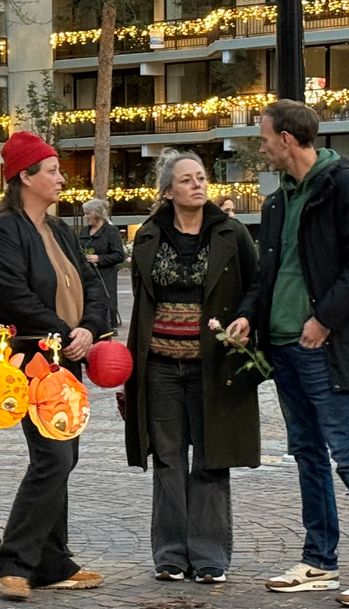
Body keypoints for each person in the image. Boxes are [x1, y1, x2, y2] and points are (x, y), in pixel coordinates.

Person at [233, 100, 349, 608]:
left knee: (347, 453)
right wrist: (251, 314)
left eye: (266, 137)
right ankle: (320, 559)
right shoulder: (278, 201)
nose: (263, 145)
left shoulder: (343, 185)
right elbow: (266, 275)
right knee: (307, 452)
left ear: (289, 139)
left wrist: (324, 320)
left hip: (320, 346)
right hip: (285, 348)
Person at [0, 131, 111, 601]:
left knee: (63, 456)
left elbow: (93, 285)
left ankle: (52, 561)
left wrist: (88, 329)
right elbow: (12, 295)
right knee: (52, 457)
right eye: (51, 170)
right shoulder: (1, 234)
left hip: (65, 358)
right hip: (29, 360)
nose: (60, 177)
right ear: (24, 177)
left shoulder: (59, 230)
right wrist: (60, 330)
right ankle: (12, 560)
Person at [123, 149, 261, 585]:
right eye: (186, 180)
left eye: (201, 178)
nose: (197, 185)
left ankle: (208, 555)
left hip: (213, 365)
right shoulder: (148, 236)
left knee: (210, 457)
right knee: (167, 458)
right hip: (160, 366)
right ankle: (169, 554)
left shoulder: (232, 232)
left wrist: (247, 317)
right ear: (168, 191)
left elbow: (257, 285)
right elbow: (143, 307)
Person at [78, 198, 127, 330]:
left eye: (87, 213)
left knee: (106, 300)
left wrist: (99, 258)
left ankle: (109, 325)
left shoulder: (111, 231)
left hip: (105, 275)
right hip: (88, 274)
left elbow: (119, 255)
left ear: (96, 213)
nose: (85, 217)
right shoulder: (84, 231)